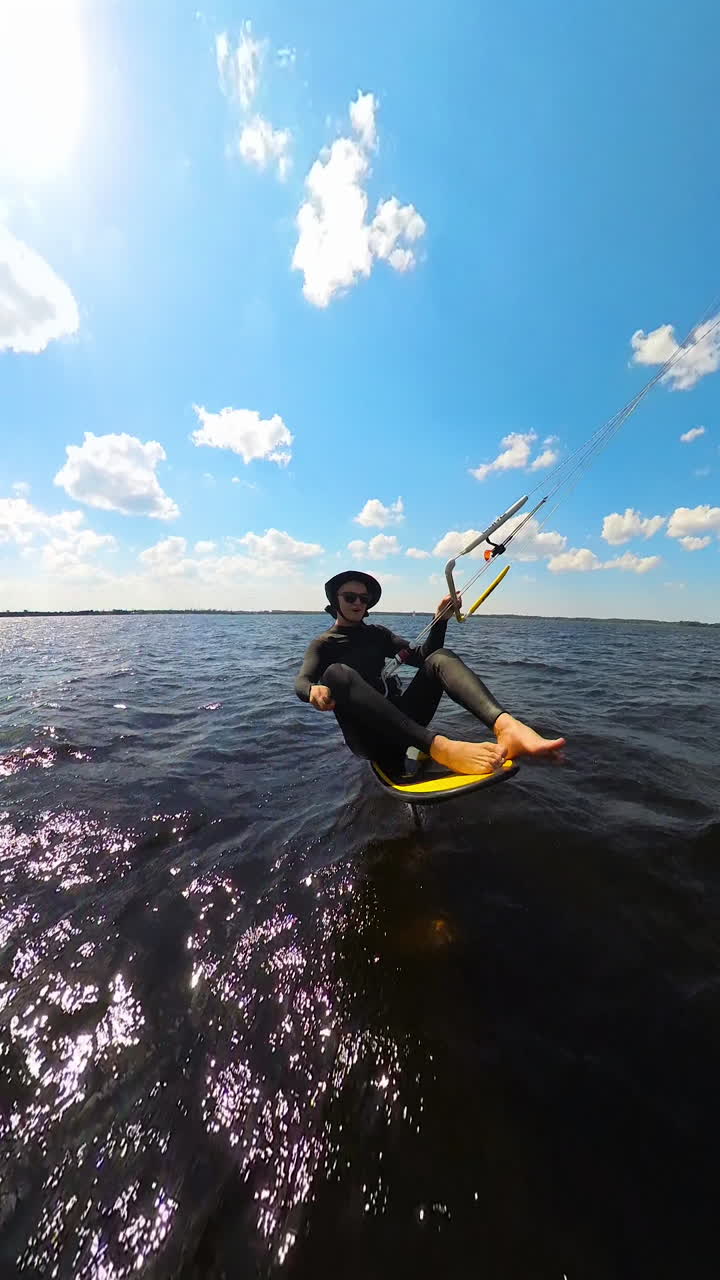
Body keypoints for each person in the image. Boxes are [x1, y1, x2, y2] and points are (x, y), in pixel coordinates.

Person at [294, 570, 565, 777]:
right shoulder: (323, 644)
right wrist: (312, 691)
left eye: (363, 598)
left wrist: (440, 620)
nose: (358, 603)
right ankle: (441, 748)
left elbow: (425, 657)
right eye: (350, 597)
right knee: (335, 673)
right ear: (335, 601)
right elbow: (302, 681)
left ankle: (507, 727)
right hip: (368, 737)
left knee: (439, 658)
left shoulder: (378, 634)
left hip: (404, 723)